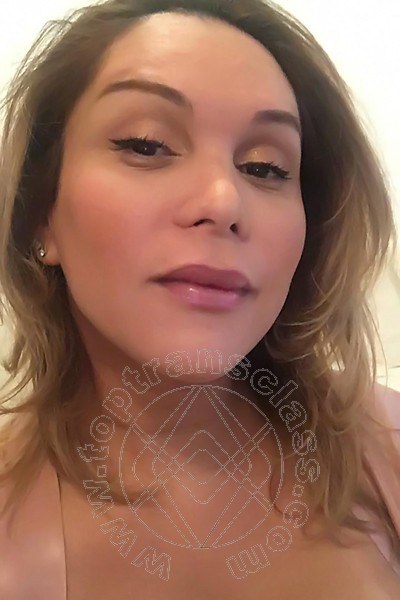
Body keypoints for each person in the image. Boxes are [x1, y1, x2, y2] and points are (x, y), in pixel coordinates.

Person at [0, 0, 399, 597]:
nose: (223, 200)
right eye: (147, 144)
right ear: (41, 214)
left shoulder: (387, 446)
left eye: (265, 168)